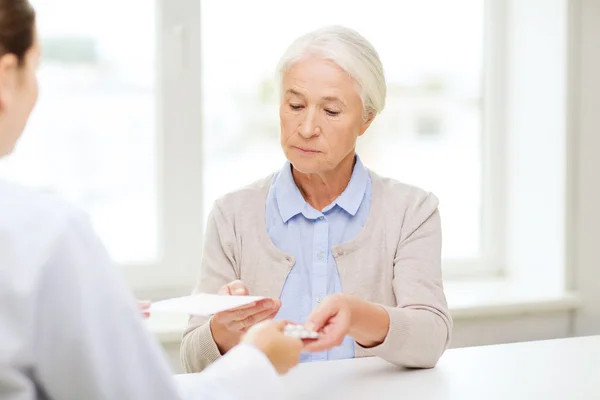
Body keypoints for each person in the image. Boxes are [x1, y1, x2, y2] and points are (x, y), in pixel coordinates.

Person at [0, 1, 303, 399]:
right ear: (6, 77)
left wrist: (93, 312)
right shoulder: (43, 235)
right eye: (35, 66)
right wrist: (256, 362)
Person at [181, 25, 453, 373]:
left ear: (366, 119)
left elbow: (431, 341)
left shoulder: (413, 212)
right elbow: (191, 359)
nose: (307, 127)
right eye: (295, 105)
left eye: (331, 111)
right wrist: (221, 334)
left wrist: (358, 316)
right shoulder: (231, 215)